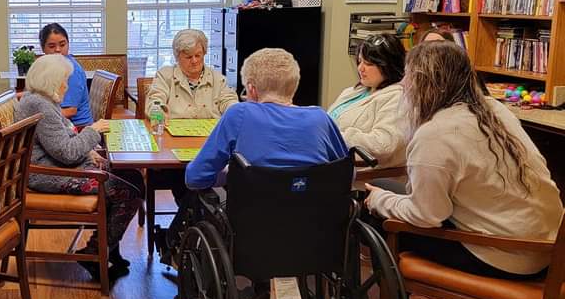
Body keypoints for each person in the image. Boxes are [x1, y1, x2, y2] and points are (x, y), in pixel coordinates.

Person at [365, 41, 563, 279]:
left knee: (374, 216)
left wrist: (379, 201)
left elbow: (427, 216)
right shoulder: (496, 109)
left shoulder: (435, 134)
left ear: (422, 83)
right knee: (384, 188)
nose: (403, 84)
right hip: (549, 249)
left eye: (407, 76)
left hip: (507, 257)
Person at [15, 53, 143, 281]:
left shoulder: (41, 100)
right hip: (47, 175)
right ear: (51, 81)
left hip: (55, 166)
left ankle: (108, 247)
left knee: (132, 177)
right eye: (64, 80)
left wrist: (88, 149)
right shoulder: (40, 106)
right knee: (127, 192)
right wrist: (93, 131)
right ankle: (96, 252)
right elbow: (67, 153)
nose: (66, 85)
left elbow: (66, 137)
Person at [186, 48, 348, 190]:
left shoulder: (239, 114)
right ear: (293, 85)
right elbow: (346, 173)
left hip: (251, 214)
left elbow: (195, 178)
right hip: (315, 214)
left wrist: (232, 174)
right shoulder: (320, 118)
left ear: (252, 89)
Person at [146, 28, 239, 211]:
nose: (195, 61)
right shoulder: (165, 75)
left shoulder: (217, 78)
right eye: (188, 57)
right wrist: (158, 113)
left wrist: (234, 112)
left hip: (209, 147)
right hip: (175, 150)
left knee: (232, 176)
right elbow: (155, 100)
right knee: (182, 180)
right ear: (177, 57)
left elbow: (229, 101)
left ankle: (209, 217)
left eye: (198, 55)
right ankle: (191, 218)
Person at [326, 33, 407, 167]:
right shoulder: (354, 91)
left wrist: (336, 136)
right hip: (332, 162)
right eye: (360, 61)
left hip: (359, 173)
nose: (360, 68)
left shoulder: (398, 98)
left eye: (368, 64)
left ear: (389, 66)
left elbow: (383, 145)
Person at [39, 23, 93, 126]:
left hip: (77, 127)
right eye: (52, 46)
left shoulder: (72, 70)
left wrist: (37, 118)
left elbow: (70, 111)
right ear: (43, 48)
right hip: (60, 121)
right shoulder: (50, 67)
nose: (58, 49)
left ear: (68, 44)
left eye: (62, 45)